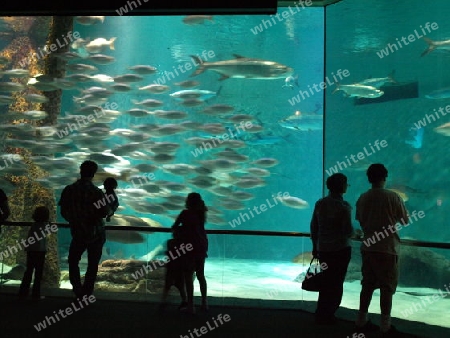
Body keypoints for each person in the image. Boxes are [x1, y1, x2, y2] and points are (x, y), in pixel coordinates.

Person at [354, 163, 408, 335]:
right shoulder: (393, 197)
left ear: (369, 178)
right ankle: (385, 325)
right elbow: (405, 220)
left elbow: (361, 221)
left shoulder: (362, 197)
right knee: (387, 287)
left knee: (367, 285)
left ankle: (361, 321)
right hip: (387, 248)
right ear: (385, 177)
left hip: (368, 247)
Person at [58, 160, 111, 298]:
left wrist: (75, 220)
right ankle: (87, 292)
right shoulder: (96, 192)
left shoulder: (69, 190)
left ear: (80, 171)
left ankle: (77, 289)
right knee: (93, 264)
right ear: (93, 174)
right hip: (96, 233)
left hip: (78, 232)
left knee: (73, 260)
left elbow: (63, 211)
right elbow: (104, 212)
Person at [310, 173, 353, 325]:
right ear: (341, 186)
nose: (347, 186)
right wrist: (358, 234)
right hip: (340, 251)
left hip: (324, 251)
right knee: (336, 283)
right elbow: (347, 231)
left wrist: (315, 247)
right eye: (346, 183)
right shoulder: (344, 207)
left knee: (326, 281)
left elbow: (314, 227)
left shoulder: (320, 203)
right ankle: (330, 314)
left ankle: (321, 313)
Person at [172, 192, 208, 314]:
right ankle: (204, 303)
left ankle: (191, 306)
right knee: (200, 275)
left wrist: (181, 232)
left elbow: (174, 226)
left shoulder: (185, 213)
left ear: (188, 202)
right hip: (201, 247)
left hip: (189, 248)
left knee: (188, 276)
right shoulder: (201, 214)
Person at [18, 206, 51, 301]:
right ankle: (35, 294)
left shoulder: (34, 225)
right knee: (38, 273)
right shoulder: (44, 226)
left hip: (31, 250)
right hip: (40, 251)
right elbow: (50, 229)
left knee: (28, 271)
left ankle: (23, 292)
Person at [159, 227, 188, 312]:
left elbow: (168, 252)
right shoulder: (184, 244)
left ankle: (163, 302)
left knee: (168, 285)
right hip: (179, 267)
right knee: (181, 286)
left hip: (171, 266)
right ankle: (184, 301)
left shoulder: (170, 242)